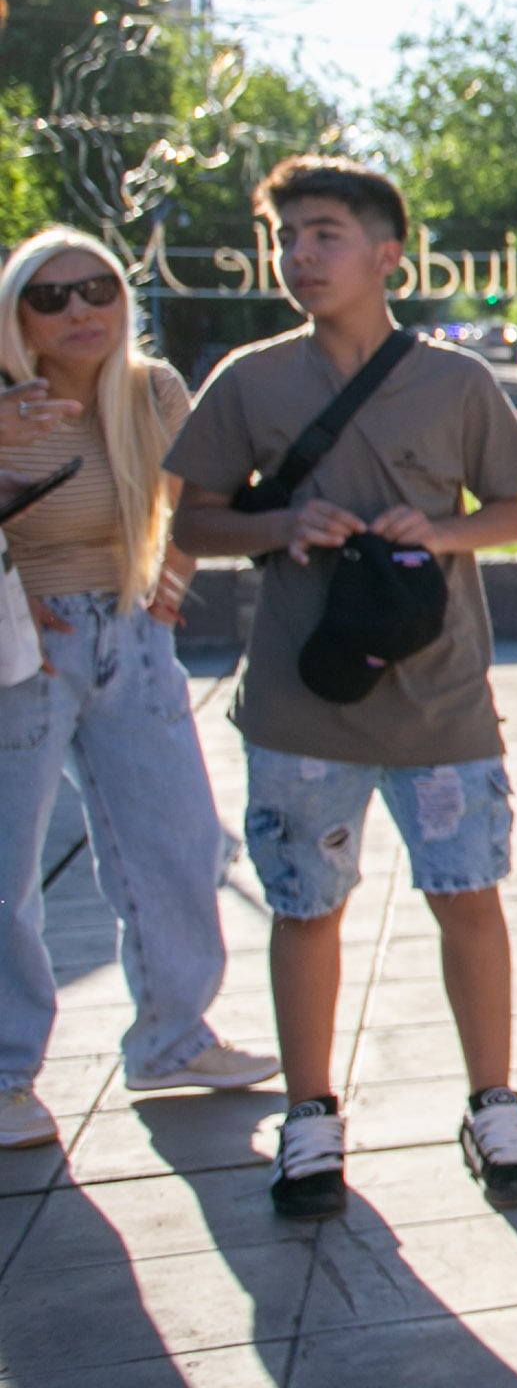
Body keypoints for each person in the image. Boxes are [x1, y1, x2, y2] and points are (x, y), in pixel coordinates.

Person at [166, 157, 517, 1218]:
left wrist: (444, 527)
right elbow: (193, 520)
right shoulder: (249, 379)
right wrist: (278, 524)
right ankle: (311, 1116)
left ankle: (493, 1102)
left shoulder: (455, 380)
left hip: (442, 701)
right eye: (287, 237)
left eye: (324, 233)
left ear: (388, 253)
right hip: (301, 699)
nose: (300, 255)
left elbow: (513, 508)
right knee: (306, 908)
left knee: (467, 897)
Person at [0, 228, 278, 1151]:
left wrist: (171, 581)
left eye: (96, 289)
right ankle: (6, 1074)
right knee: (9, 874)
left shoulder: (151, 391)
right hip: (23, 650)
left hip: (132, 637)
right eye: (51, 297)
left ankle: (173, 1037)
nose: (79, 310)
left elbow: (199, 497)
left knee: (180, 842)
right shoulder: (7, 404)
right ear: (18, 318)